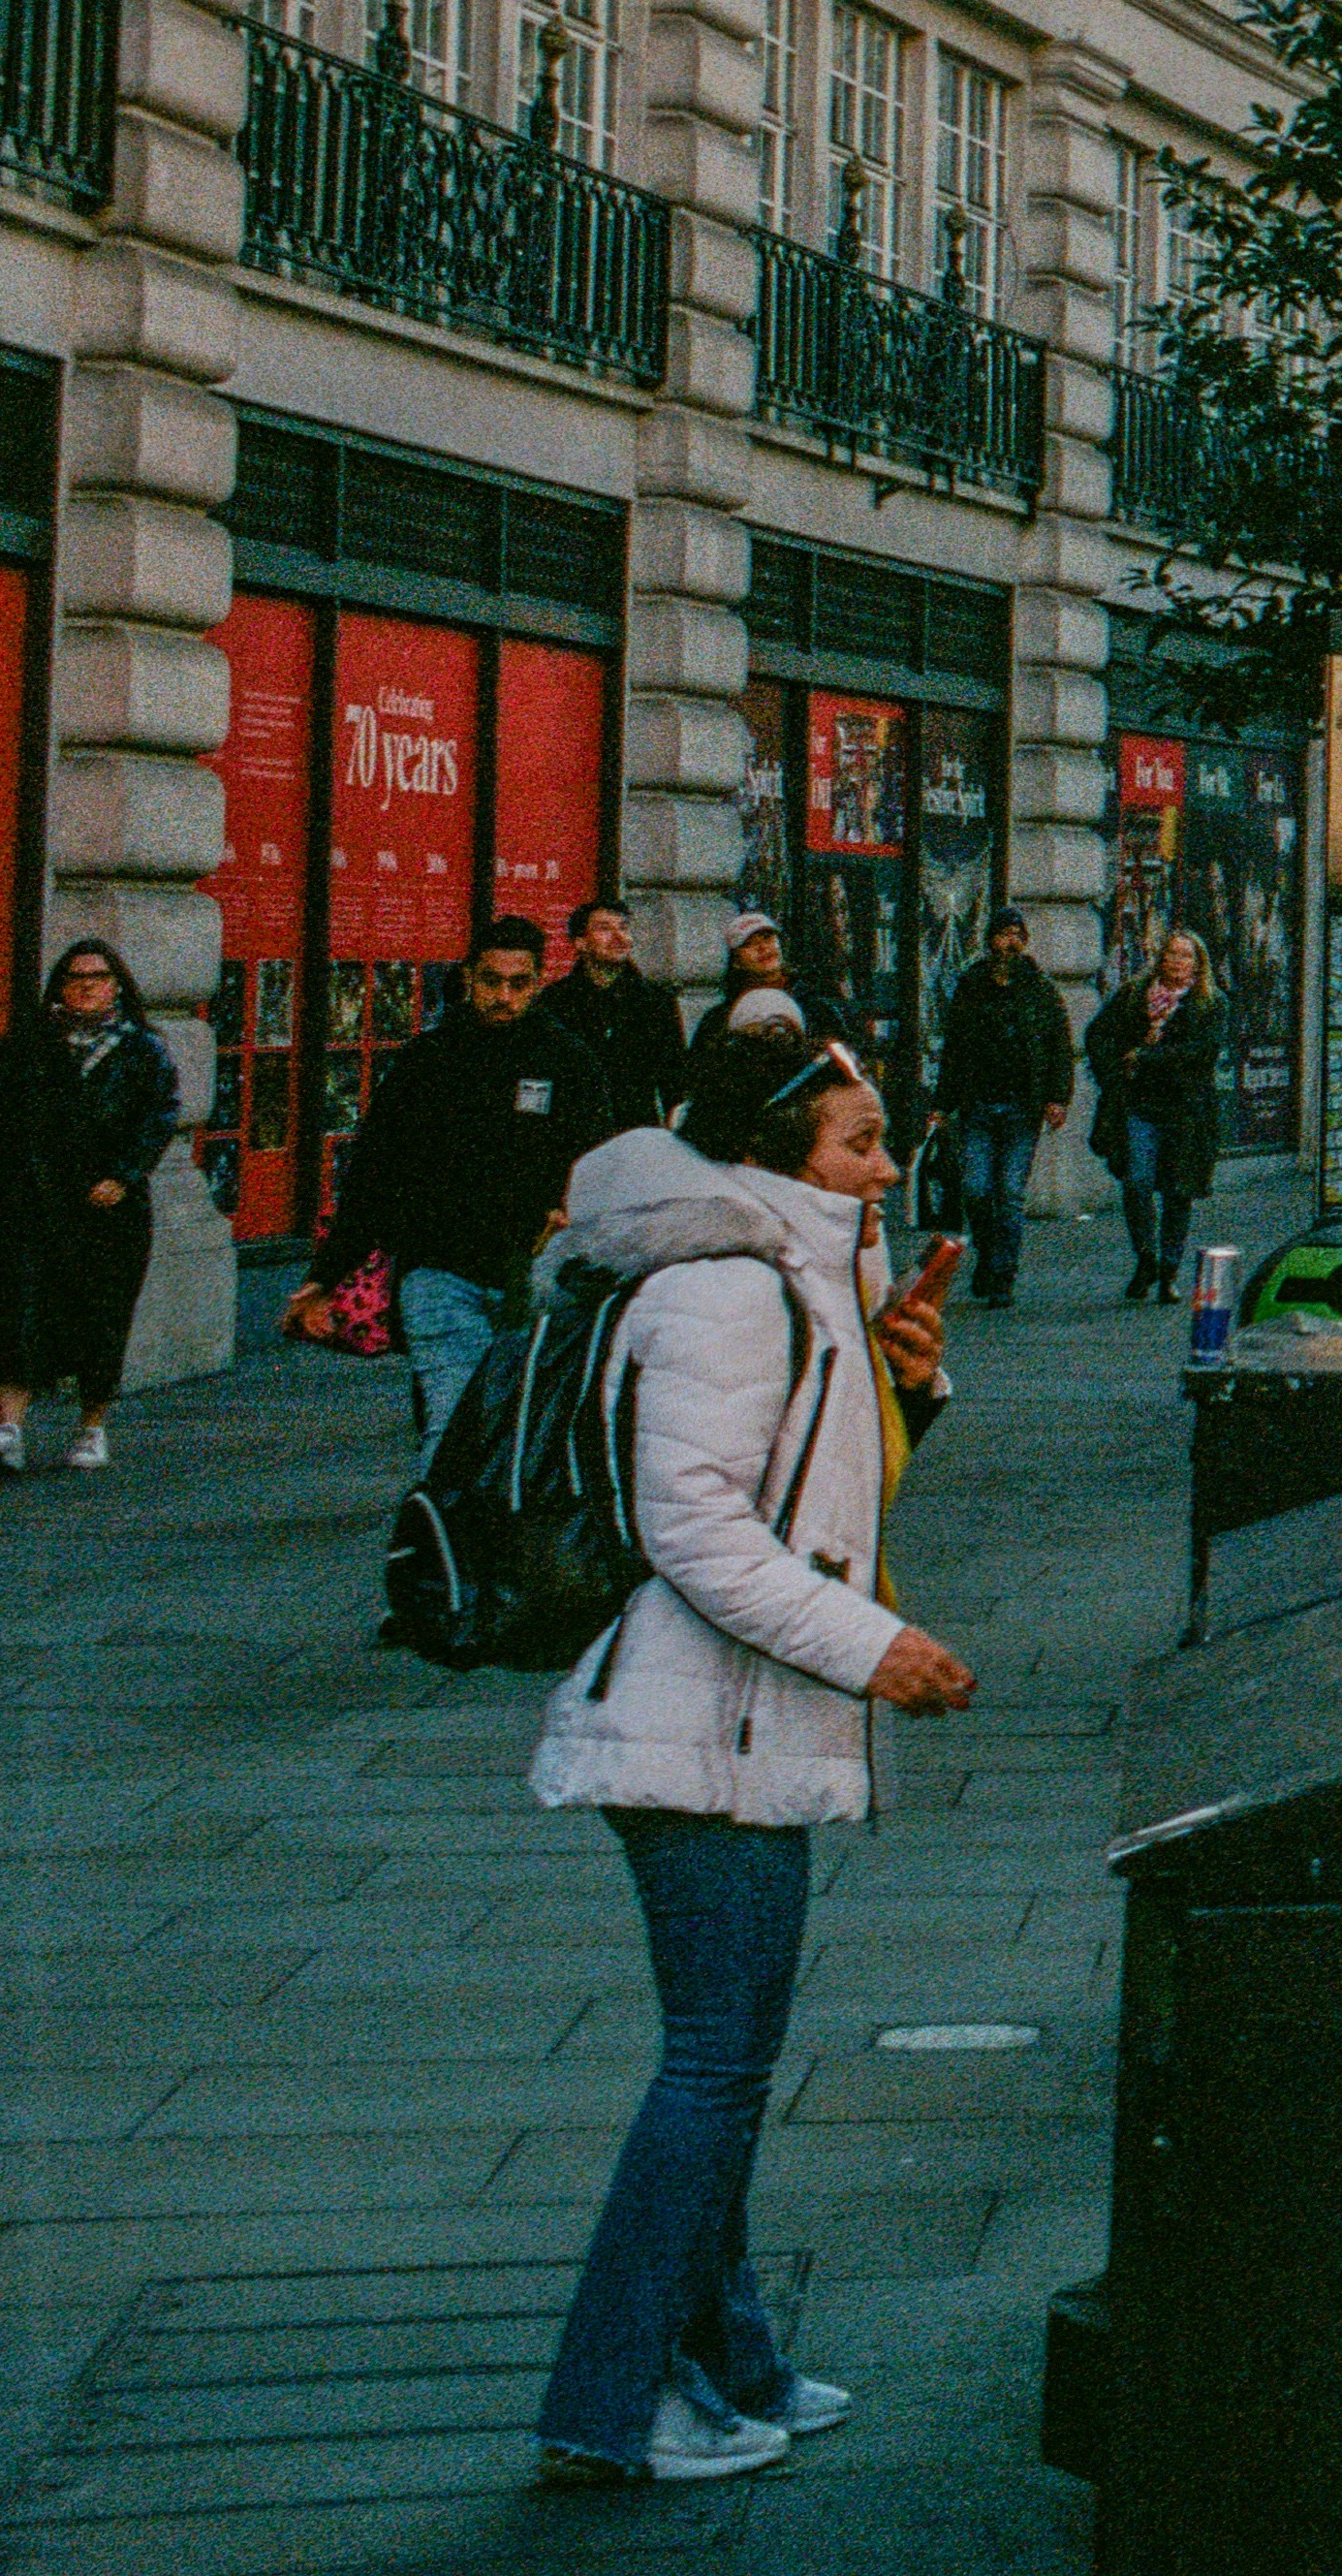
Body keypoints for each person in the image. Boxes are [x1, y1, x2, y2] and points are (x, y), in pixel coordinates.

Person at [521, 1036, 971, 2488]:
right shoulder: (726, 1291)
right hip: (695, 1724)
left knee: (722, 2062)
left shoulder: (802, 1282)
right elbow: (699, 1533)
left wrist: (908, 1388)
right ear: (776, 1154)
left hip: (731, 1719)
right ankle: (613, 2397)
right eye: (857, 1142)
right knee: (713, 2069)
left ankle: (732, 2362)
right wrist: (872, 1647)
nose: (886, 1165)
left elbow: (814, 1488)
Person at [340, 919, 602, 1461]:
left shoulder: (567, 1060)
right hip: (441, 1266)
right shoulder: (428, 1059)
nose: (503, 996)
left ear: (537, 981)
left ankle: (490, 1533)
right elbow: (375, 1167)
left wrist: (575, 1212)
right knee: (451, 1417)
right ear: (468, 979)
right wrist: (329, 1270)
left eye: (518, 983)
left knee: (523, 1421)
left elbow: (600, 1155)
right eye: (491, 981)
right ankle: (435, 1538)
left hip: (534, 1267)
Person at [0, 938, 180, 1479]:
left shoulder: (144, 1048)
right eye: (75, 978)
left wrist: (123, 1175)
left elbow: (161, 1115)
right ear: (59, 987)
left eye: (97, 976)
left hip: (107, 1207)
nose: (86, 986)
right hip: (32, 1201)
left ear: (117, 984)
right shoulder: (26, 1047)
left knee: (102, 1316)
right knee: (21, 1309)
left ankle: (91, 1425)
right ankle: (8, 1427)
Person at [919, 912, 1075, 1314]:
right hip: (977, 1105)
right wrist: (941, 1104)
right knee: (975, 1189)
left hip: (1023, 1107)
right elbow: (954, 1049)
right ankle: (988, 1255)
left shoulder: (1040, 990)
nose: (1011, 942)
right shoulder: (971, 987)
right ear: (991, 941)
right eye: (1004, 935)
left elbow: (1059, 1046)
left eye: (1018, 935)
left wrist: (1058, 1097)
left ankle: (1003, 1274)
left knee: (1008, 1194)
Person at [1078, 931, 1223, 1304]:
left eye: (1186, 956)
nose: (1177, 962)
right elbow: (1097, 1034)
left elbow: (1201, 1053)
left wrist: (1146, 1058)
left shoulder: (1209, 1003)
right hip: (1140, 1106)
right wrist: (1115, 1072)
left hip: (1187, 1112)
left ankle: (1169, 1272)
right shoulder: (1133, 995)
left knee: (1178, 1190)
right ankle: (1146, 1258)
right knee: (1137, 1181)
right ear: (1160, 958)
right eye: (1172, 954)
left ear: (1197, 963)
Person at [543, 902, 679, 1128]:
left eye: (624, 928)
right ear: (581, 942)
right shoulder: (555, 1001)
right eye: (604, 929)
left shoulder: (655, 1001)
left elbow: (674, 1080)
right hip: (571, 1131)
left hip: (635, 1134)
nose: (618, 937)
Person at [680, 918, 805, 1115]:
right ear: (736, 960)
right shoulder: (717, 1020)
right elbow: (699, 1082)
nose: (763, 948)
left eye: (767, 938)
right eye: (749, 944)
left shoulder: (815, 1007)